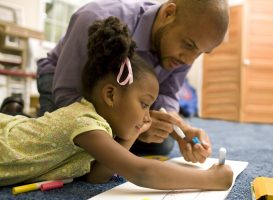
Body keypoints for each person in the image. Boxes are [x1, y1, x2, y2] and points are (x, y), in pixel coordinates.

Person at [0, 17, 233, 190]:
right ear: (111, 95)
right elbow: (141, 171)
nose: (148, 116)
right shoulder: (83, 121)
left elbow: (97, 176)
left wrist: (134, 132)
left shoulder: (95, 128)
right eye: (144, 105)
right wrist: (209, 179)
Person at [37, 0, 229, 159]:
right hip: (64, 80)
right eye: (188, 45)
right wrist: (133, 125)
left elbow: (167, 94)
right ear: (168, 13)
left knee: (162, 144)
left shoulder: (185, 52)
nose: (189, 60)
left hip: (123, 100)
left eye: (200, 53)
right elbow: (67, 94)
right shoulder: (95, 17)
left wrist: (181, 129)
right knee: (62, 150)